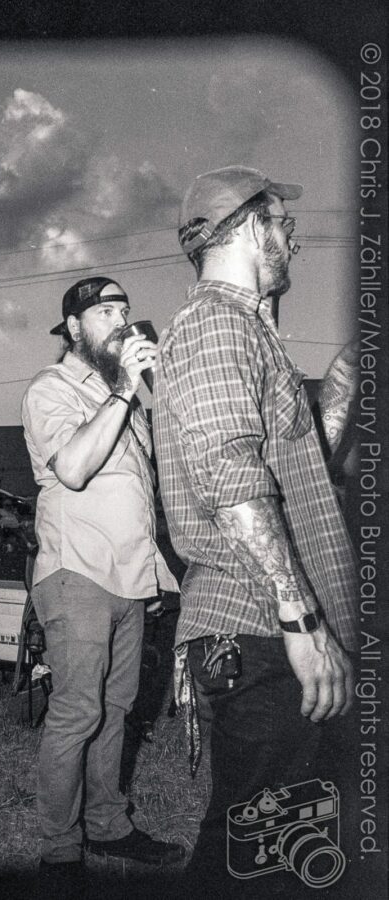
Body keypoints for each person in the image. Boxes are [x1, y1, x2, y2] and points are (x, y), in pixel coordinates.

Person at [153, 166, 357, 893]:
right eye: (282, 224)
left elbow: (288, 471)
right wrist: (302, 622)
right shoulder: (217, 324)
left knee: (290, 840)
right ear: (244, 227)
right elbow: (231, 477)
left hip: (272, 629)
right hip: (261, 627)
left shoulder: (247, 332)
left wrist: (343, 387)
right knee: (259, 849)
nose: (292, 240)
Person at [21, 277, 184, 884]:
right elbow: (74, 468)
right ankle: (59, 848)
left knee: (114, 711)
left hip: (130, 575)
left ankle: (109, 826)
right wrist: (121, 392)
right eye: (105, 311)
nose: (121, 320)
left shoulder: (127, 398)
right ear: (72, 327)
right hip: (78, 572)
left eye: (125, 309)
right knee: (76, 712)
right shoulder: (52, 388)